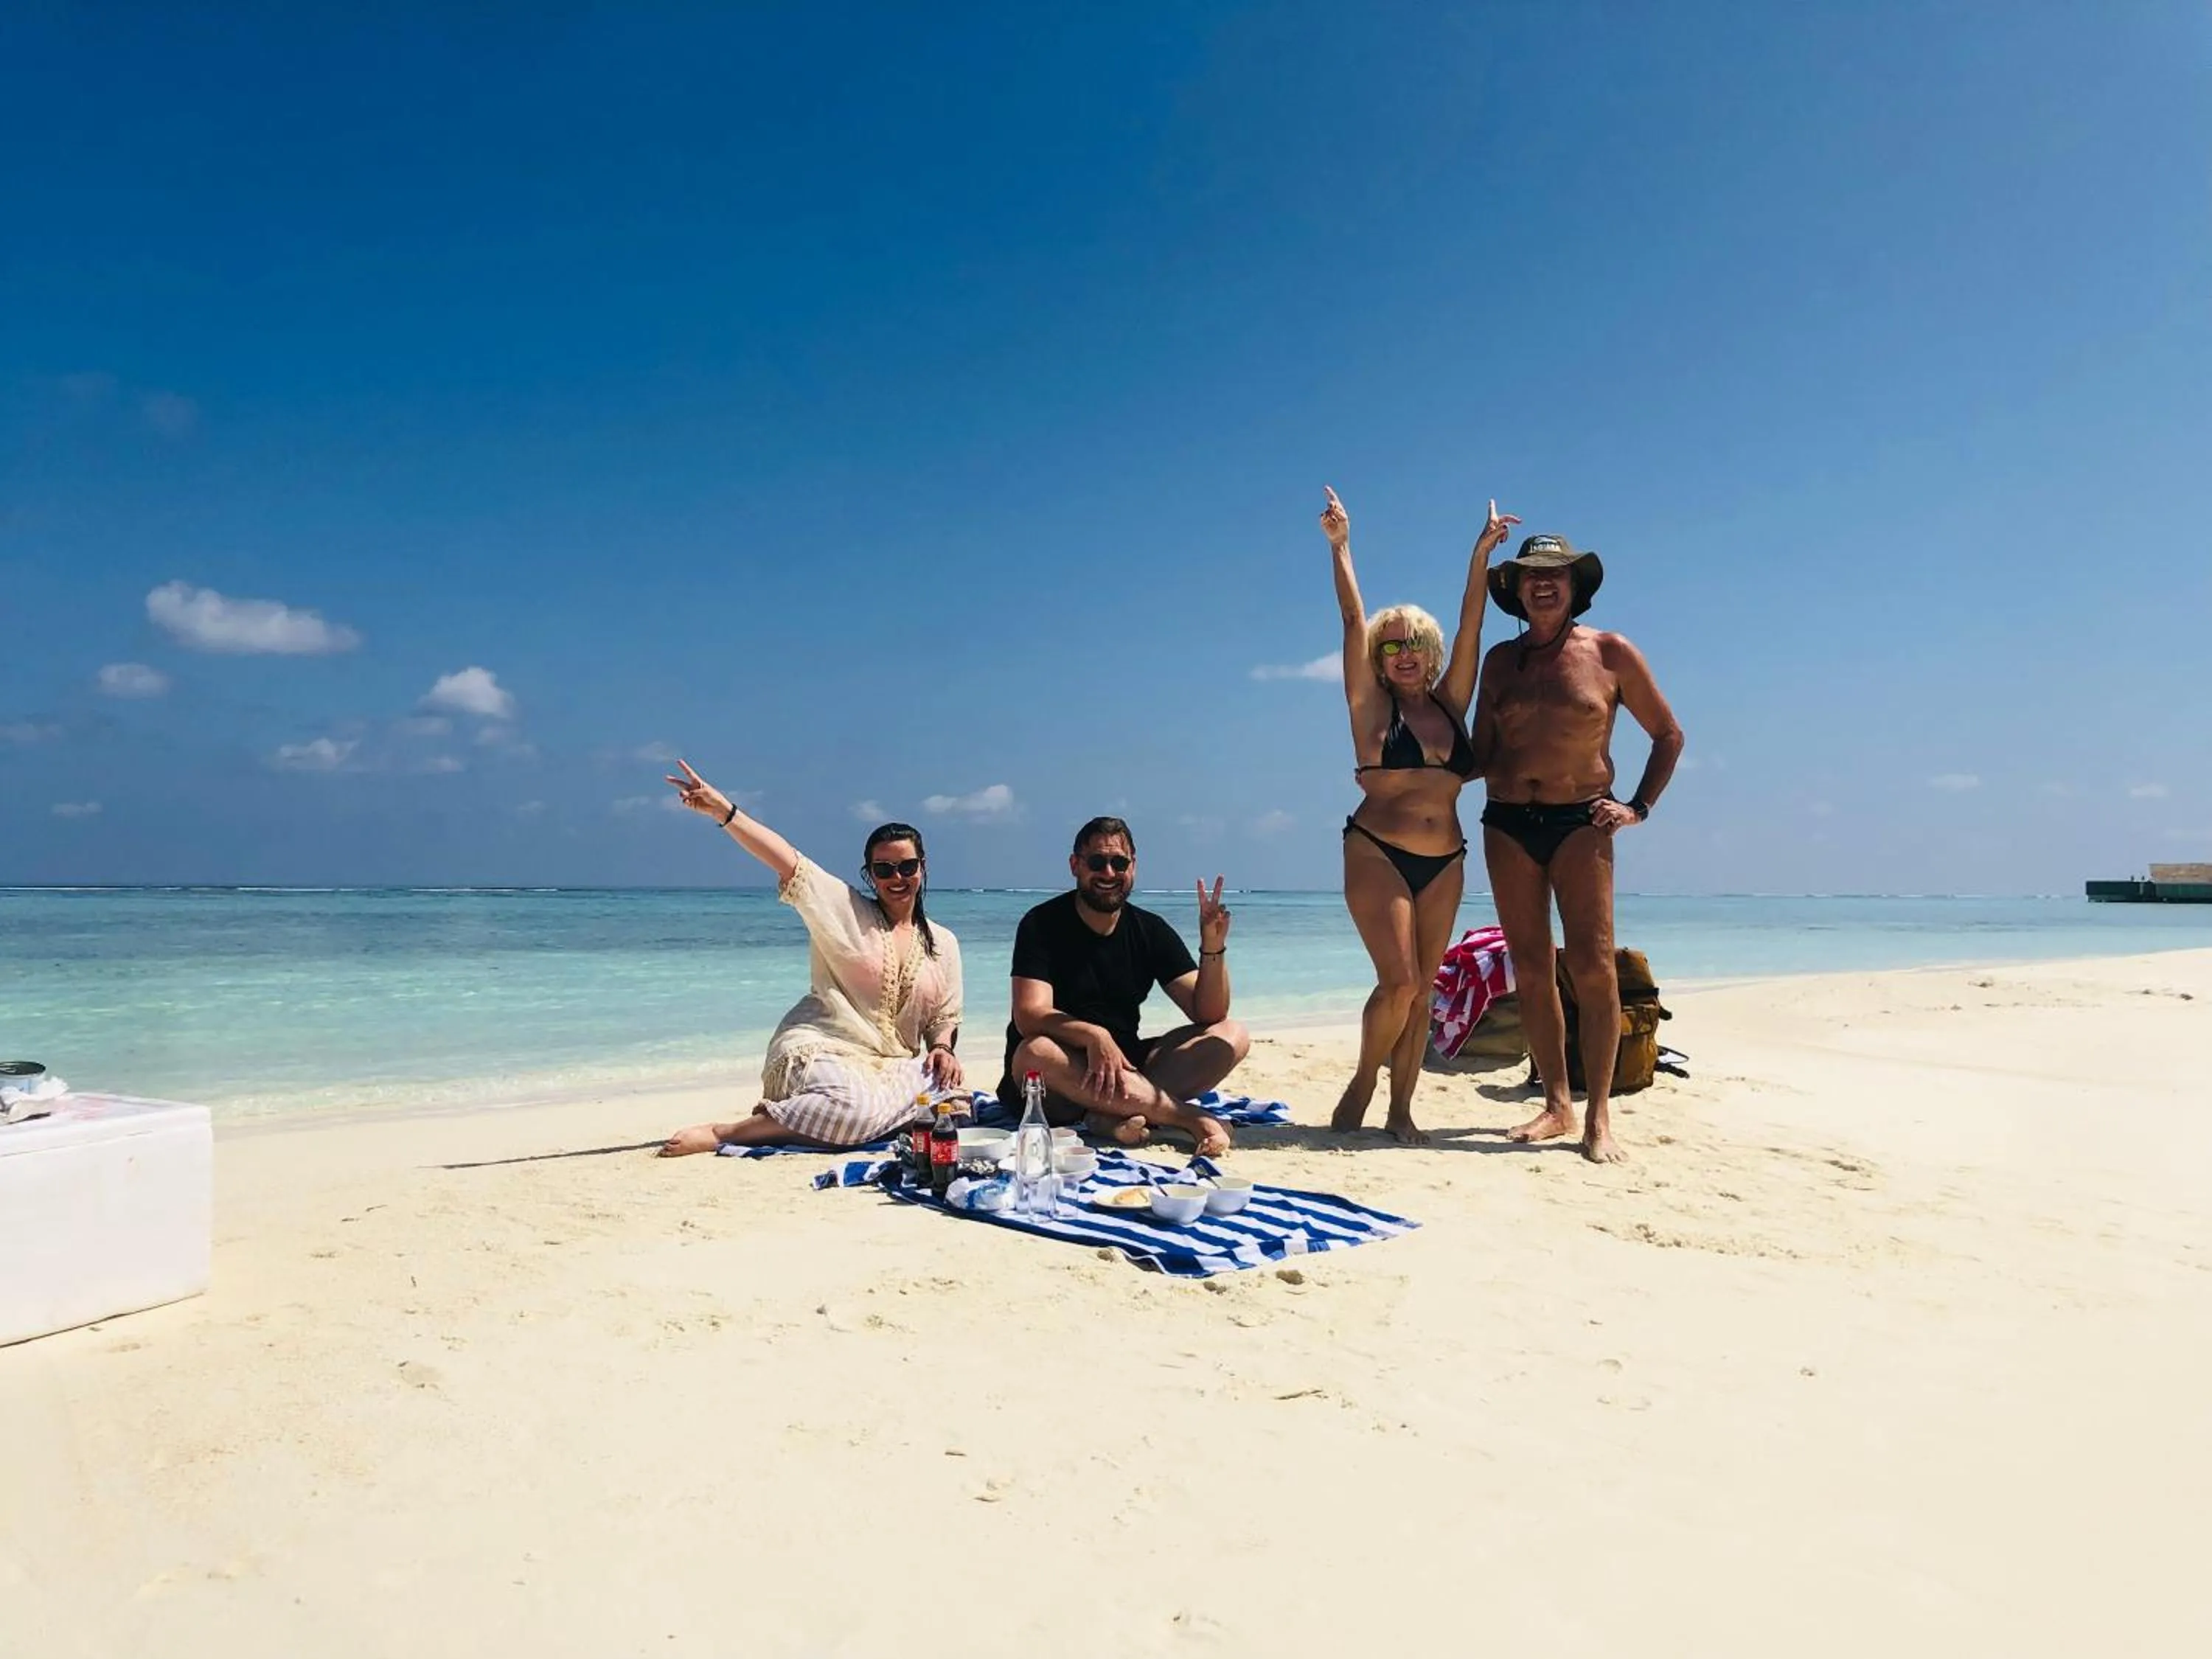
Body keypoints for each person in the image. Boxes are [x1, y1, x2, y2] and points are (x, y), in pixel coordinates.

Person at [1470, 534, 1684, 1162]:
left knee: (1592, 968)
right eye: (1531, 574)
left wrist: (1636, 808)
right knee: (1531, 967)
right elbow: (1482, 753)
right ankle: (1557, 1105)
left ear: (1574, 587)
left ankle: (1598, 1116)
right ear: (1515, 589)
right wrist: (1411, 772)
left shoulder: (1610, 652)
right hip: (1507, 822)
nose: (1543, 583)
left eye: (1555, 574)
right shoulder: (1499, 662)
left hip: (1581, 825)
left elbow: (1669, 735)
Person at [1322, 485, 1520, 1144]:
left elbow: (1474, 626)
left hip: (1447, 861)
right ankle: (1364, 1078)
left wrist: (1480, 556)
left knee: (1425, 989)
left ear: (1429, 652)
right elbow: (1352, 622)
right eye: (1392, 646)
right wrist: (1342, 546)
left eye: (1413, 645)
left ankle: (1401, 1108)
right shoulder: (1372, 709)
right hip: (1378, 850)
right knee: (1400, 981)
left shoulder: (1451, 705)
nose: (1402, 654)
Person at [656, 759, 964, 1155]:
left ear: (923, 868)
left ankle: (835, 1120)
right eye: (884, 869)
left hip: (886, 1068)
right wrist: (724, 811)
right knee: (854, 1110)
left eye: (907, 866)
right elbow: (788, 860)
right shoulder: (844, 907)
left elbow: (944, 1017)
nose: (897, 878)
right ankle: (728, 1132)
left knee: (955, 1102)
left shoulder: (943, 943)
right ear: (870, 875)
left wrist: (942, 1048)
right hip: (820, 1050)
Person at [1002, 817, 1248, 1158]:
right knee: (1035, 1052)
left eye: (1119, 862)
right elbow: (1030, 1015)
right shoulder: (1041, 924)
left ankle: (1108, 1116)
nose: (1108, 873)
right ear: (1075, 865)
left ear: (1133, 866)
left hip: (1123, 1069)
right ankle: (1189, 1117)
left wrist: (1212, 946)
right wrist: (1093, 1036)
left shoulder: (1149, 929)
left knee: (1231, 1034)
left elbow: (1209, 1012)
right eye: (1096, 862)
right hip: (1058, 1082)